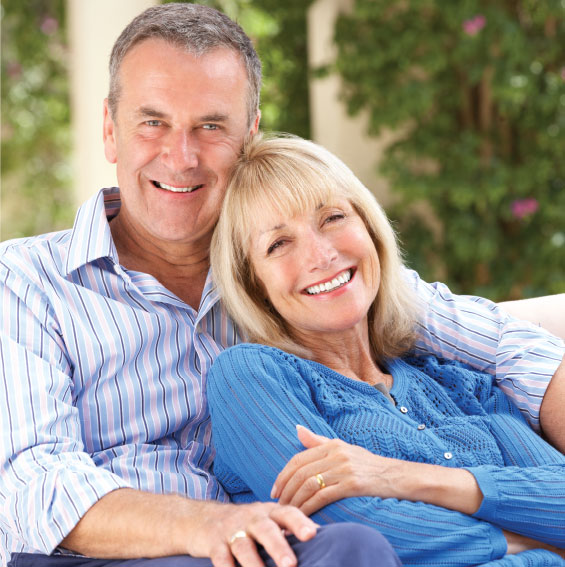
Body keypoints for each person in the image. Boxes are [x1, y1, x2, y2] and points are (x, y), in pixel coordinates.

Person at [0, 2, 563, 566]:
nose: (181, 155)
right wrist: (210, 525)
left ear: (250, 133)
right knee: (352, 545)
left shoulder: (297, 278)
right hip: (102, 555)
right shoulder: (25, 280)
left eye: (211, 125)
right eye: (153, 122)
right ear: (110, 130)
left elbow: (514, 351)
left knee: (345, 548)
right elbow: (32, 482)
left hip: (277, 548)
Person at [207, 134, 565, 567]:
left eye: (333, 217)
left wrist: (398, 478)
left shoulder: (456, 379)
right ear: (254, 285)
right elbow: (348, 530)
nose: (321, 255)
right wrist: (533, 539)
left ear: (370, 228)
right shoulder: (252, 377)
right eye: (278, 244)